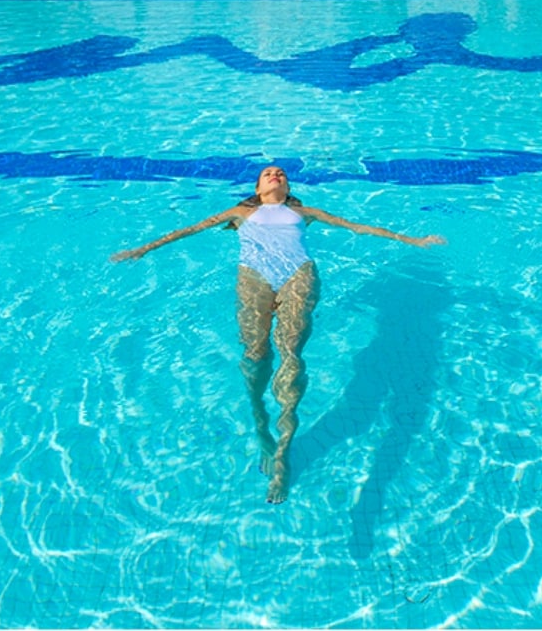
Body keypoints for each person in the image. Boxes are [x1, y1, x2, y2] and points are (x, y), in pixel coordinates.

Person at [111, 165, 444, 504]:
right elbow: (190, 230)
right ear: (257, 187)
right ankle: (261, 426)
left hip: (298, 276)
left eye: (281, 173)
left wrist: (411, 240)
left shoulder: (301, 211)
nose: (276, 174)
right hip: (254, 277)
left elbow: (356, 226)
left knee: (290, 353)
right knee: (255, 355)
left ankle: (284, 447)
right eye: (268, 172)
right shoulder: (241, 212)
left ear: (288, 186)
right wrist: (141, 250)